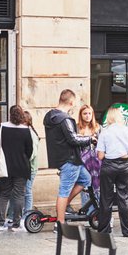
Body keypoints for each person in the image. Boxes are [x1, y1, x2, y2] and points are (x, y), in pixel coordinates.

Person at [44, 89, 93, 225]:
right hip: (70, 159)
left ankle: (64, 206)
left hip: (60, 158)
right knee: (64, 191)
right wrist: (90, 139)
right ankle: (60, 223)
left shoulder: (49, 116)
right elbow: (73, 139)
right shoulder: (65, 119)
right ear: (71, 102)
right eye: (75, 102)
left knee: (86, 179)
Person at [96, 106, 128, 237]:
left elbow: (100, 156)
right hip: (125, 165)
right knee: (124, 198)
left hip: (108, 165)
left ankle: (104, 230)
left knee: (106, 198)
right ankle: (126, 230)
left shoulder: (105, 132)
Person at [0, 105, 33, 232]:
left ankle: (0, 223)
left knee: (4, 194)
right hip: (21, 166)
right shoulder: (26, 130)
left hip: (4, 166)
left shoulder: (1, 127)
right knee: (19, 195)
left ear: (9, 114)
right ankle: (16, 224)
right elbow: (29, 150)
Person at [78, 104, 101, 211]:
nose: (87, 116)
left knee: (98, 188)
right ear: (81, 115)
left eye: (89, 113)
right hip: (82, 162)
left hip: (96, 162)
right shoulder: (77, 128)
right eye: (85, 113)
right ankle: (88, 213)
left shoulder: (98, 127)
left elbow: (103, 144)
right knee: (85, 187)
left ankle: (98, 214)